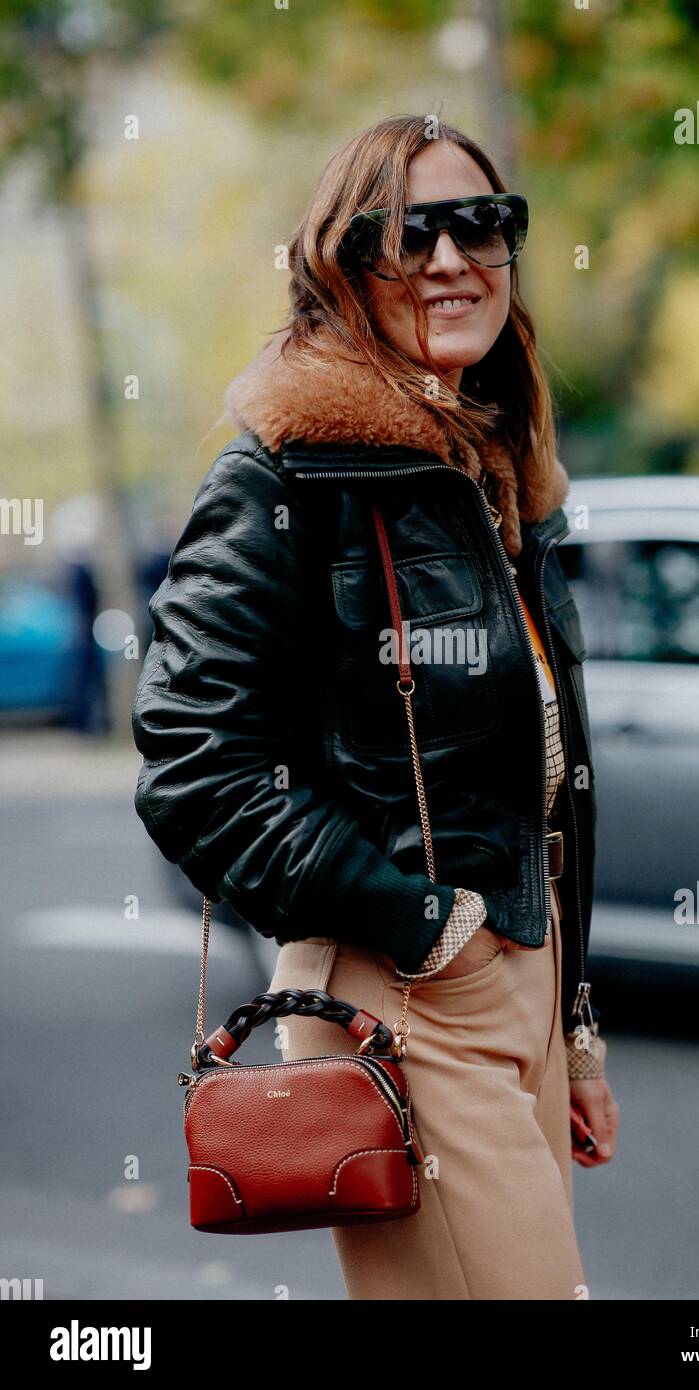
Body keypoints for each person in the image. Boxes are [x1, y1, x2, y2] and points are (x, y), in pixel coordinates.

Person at [131, 113, 619, 1300]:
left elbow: (538, 780)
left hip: (520, 988)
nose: (452, 257)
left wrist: (573, 1025)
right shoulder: (288, 473)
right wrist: (418, 925)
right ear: (343, 267)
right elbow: (193, 762)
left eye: (480, 223)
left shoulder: (489, 472)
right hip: (402, 995)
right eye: (408, 233)